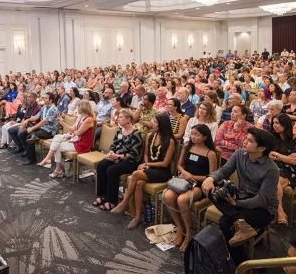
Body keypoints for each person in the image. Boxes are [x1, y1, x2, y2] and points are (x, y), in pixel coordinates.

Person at [202, 128, 279, 268]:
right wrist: (210, 178)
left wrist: (235, 203)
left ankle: (242, 264)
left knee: (225, 222)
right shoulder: (239, 154)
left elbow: (262, 200)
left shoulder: (272, 170)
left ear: (261, 148)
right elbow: (224, 171)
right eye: (246, 138)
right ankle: (241, 224)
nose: (244, 141)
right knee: (211, 189)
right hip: (241, 197)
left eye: (250, 141)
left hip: (264, 209)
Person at [111, 114, 176, 230]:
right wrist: (146, 165)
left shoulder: (169, 141)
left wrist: (147, 164)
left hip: (161, 171)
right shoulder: (150, 136)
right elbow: (145, 154)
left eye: (155, 122)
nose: (152, 124)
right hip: (149, 168)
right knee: (139, 183)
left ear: (162, 125)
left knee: (135, 174)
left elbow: (165, 163)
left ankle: (124, 202)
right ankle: (137, 216)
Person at [164, 124, 218, 252]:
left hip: (200, 183)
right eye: (192, 134)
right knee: (167, 196)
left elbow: (212, 176)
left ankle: (189, 232)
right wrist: (185, 173)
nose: (193, 137)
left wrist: (191, 177)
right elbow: (179, 165)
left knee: (182, 200)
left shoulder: (210, 153)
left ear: (205, 137)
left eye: (197, 135)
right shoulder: (187, 147)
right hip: (184, 179)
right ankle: (179, 227)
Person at [93, 109, 144, 211]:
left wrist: (118, 156)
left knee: (112, 170)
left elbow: (134, 154)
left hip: (130, 161)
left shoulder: (136, 134)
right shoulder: (119, 130)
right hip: (117, 157)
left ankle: (112, 201)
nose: (118, 119)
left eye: (121, 117)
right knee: (101, 166)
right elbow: (113, 144)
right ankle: (103, 195)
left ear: (128, 119)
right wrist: (111, 152)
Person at [38, 100, 94, 178]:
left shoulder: (89, 119)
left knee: (56, 147)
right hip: (77, 139)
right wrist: (61, 122)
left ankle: (57, 169)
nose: (77, 108)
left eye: (78, 107)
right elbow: (72, 129)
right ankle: (51, 161)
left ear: (83, 107)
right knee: (57, 138)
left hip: (82, 144)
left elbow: (78, 133)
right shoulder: (81, 117)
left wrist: (71, 133)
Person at [269, 113, 296, 226]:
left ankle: (278, 213)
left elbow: (293, 161)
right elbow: (267, 154)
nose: (275, 126)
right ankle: (279, 212)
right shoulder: (272, 137)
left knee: (271, 183)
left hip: (289, 170)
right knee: (269, 181)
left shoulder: (294, 140)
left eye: (278, 123)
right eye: (273, 123)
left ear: (285, 124)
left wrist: (275, 154)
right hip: (272, 167)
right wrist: (284, 157)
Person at [22, 92, 59, 165]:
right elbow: (37, 116)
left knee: (29, 137)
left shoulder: (53, 109)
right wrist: (28, 120)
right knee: (29, 122)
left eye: (46, 98)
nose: (44, 99)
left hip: (49, 131)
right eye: (44, 98)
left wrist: (32, 128)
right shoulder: (44, 107)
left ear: (51, 100)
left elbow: (44, 121)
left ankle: (32, 159)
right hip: (42, 129)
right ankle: (34, 135)